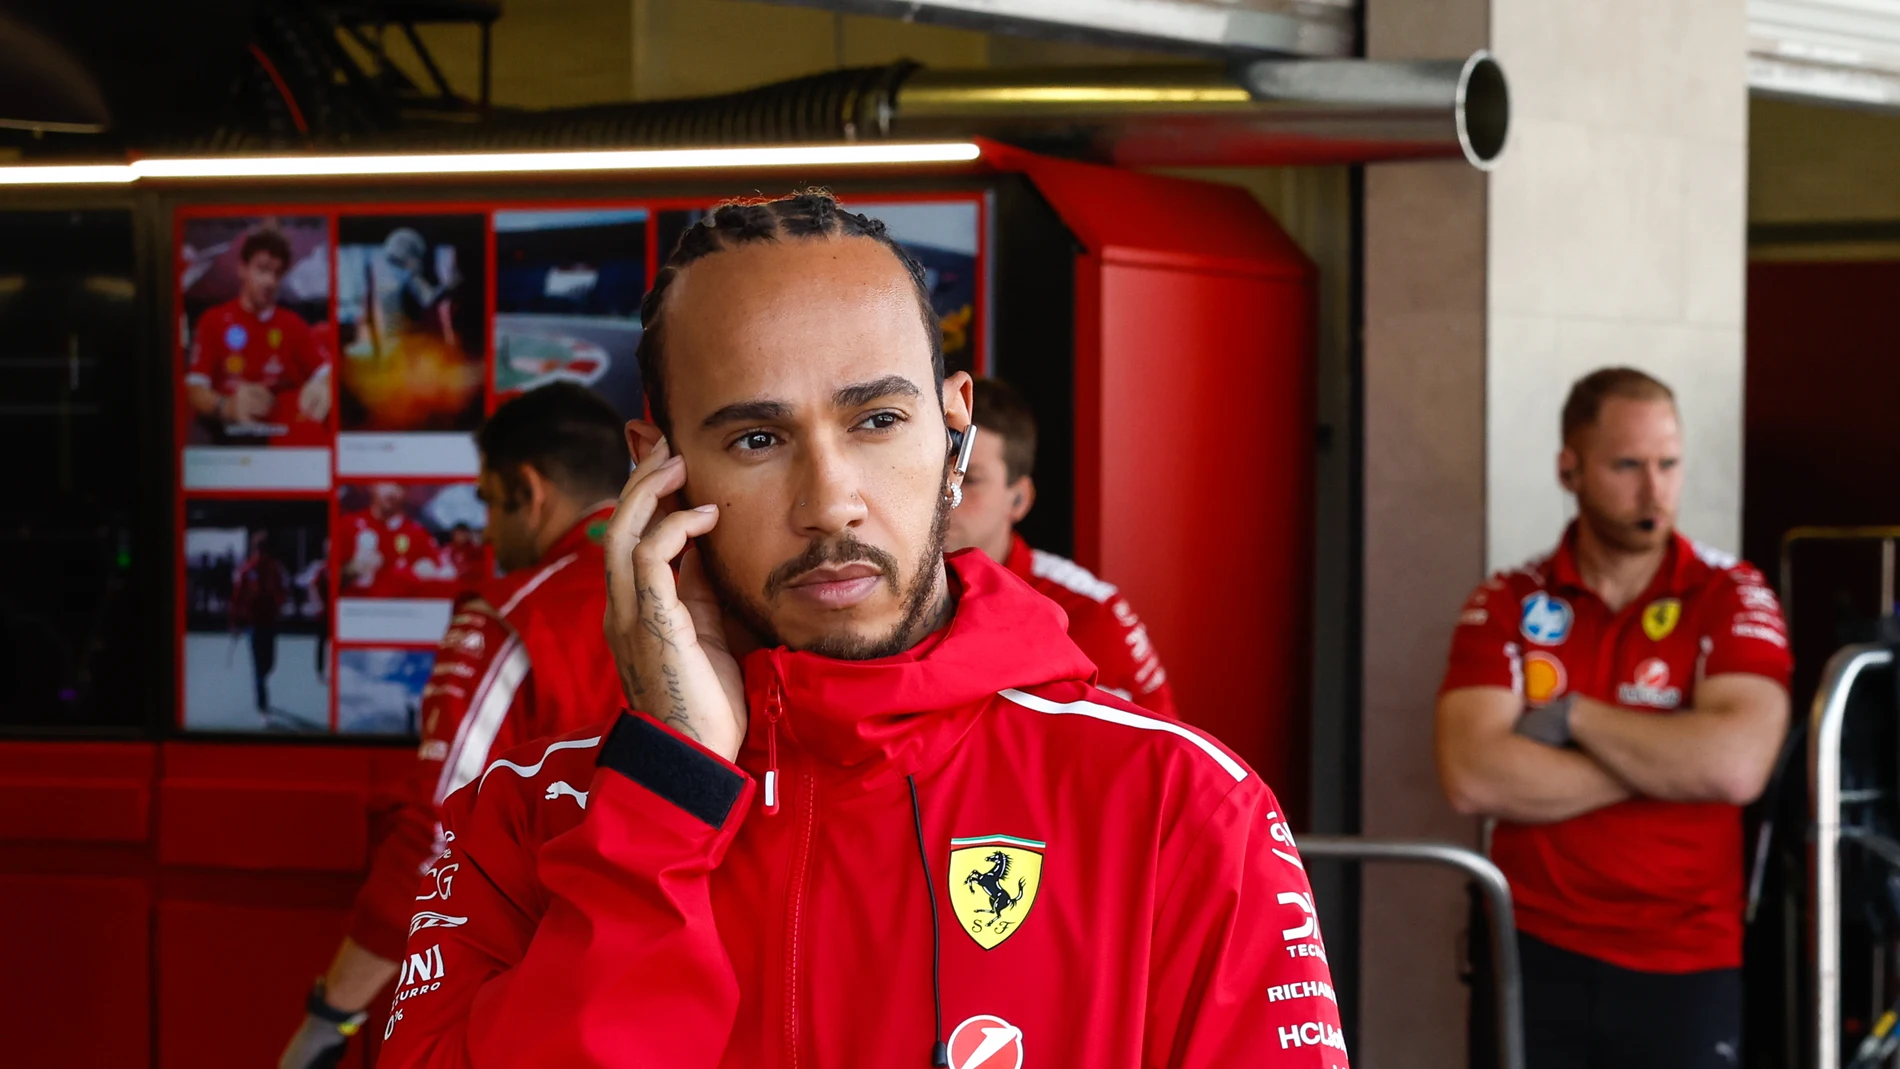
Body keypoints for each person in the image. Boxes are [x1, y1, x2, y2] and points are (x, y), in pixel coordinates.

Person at [375, 194, 1345, 1068]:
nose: (830, 502)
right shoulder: (519, 821)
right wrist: (661, 802)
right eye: (756, 439)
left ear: (953, 430)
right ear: (658, 467)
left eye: (876, 420)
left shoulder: (1179, 808)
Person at [1435, 367, 1791, 1069]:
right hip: (1529, 947)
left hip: (1686, 959)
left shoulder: (1731, 592)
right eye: (1628, 465)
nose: (1655, 490)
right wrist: (1668, 757)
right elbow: (1472, 776)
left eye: (1669, 464)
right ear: (1570, 468)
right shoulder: (1509, 598)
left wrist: (1574, 716)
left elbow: (1735, 764)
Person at [280, 383, 631, 1069]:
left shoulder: (510, 619)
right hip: (679, 997)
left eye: (487, 502)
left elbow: (437, 833)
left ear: (528, 490)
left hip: (524, 1000)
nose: (489, 533)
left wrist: (330, 1018)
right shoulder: (699, 594)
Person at [945, 376, 1177, 715]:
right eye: (937, 472)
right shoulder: (884, 590)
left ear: (1019, 499)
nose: (946, 492)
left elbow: (1146, 756)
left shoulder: (1087, 612)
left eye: (970, 477)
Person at [184, 227, 330, 438]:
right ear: (242, 269)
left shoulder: (292, 324)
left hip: (282, 433)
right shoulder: (212, 320)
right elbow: (194, 390)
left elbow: (326, 371)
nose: (270, 282)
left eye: (277, 273)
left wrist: (324, 385)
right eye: (262, 270)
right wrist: (226, 406)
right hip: (225, 434)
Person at [340, 483, 444, 596]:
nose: (391, 492)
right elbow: (325, 580)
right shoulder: (347, 525)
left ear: (407, 492)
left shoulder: (418, 533)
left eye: (399, 486)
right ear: (371, 486)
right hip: (357, 608)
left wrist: (430, 573)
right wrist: (351, 570)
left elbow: (440, 572)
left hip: (402, 609)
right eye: (385, 484)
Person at [231, 530, 289, 716]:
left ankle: (262, 680)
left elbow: (282, 590)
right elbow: (237, 597)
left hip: (270, 621)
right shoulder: (247, 570)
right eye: (260, 549)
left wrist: (279, 605)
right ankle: (262, 704)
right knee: (258, 666)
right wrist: (235, 621)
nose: (262, 553)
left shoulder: (274, 568)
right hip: (253, 623)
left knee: (270, 663)